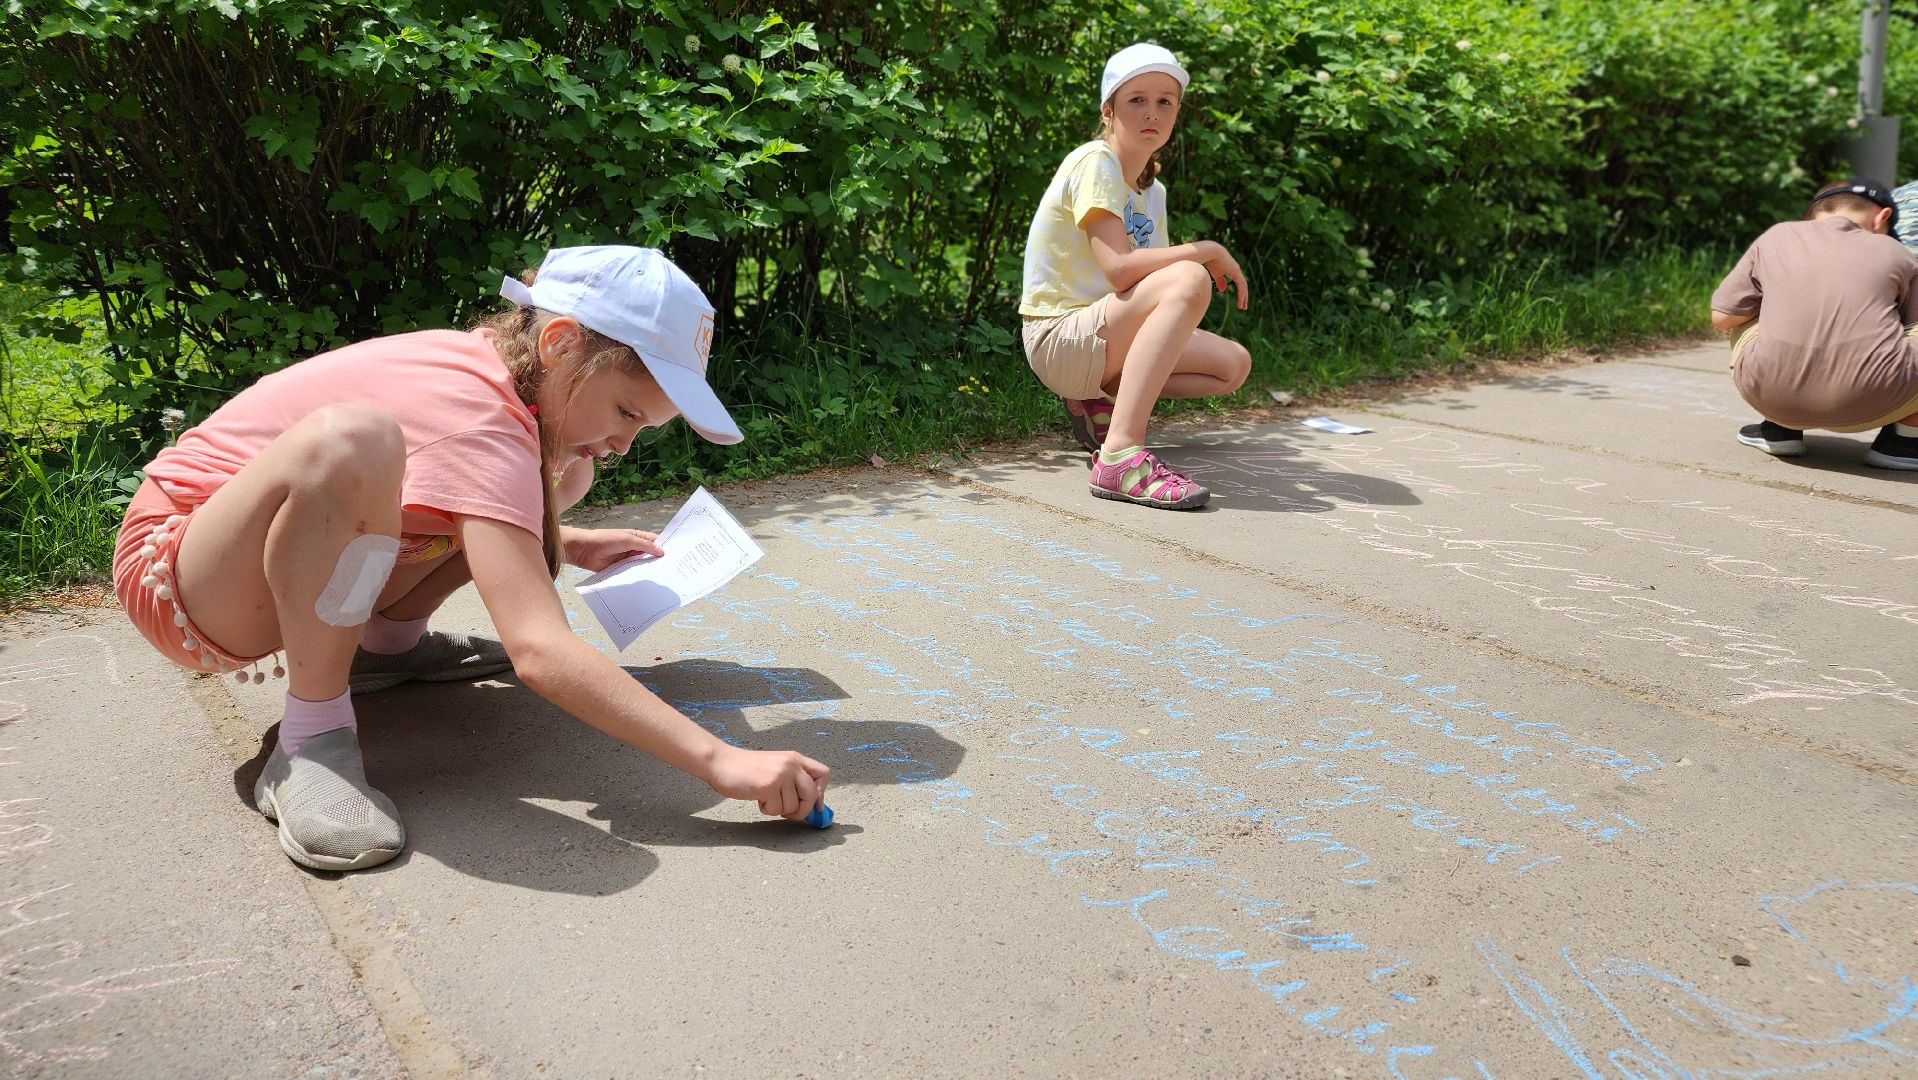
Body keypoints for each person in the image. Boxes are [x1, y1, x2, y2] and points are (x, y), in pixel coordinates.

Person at [113, 246, 830, 871]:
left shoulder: (506, 379)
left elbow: (447, 486)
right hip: (182, 578)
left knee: (562, 470)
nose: (623, 445)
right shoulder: (480, 414)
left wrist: (565, 542)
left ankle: (385, 645)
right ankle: (312, 739)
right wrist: (721, 760)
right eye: (626, 413)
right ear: (560, 343)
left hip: (256, 557)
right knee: (355, 442)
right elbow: (541, 652)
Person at [1017, 42, 1253, 510]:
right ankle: (1121, 455)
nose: (1152, 112)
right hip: (1058, 337)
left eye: (1165, 101)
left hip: (1106, 335)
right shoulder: (1094, 162)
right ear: (1109, 109)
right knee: (1190, 277)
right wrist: (1207, 249)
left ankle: (1099, 400)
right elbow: (1120, 269)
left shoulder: (1153, 190)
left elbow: (1142, 286)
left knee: (1233, 366)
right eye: (1137, 99)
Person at [1710, 179, 1918, 469]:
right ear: (1881, 217)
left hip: (1768, 395)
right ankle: (1904, 442)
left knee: (1749, 308)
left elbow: (1721, 318)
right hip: (1875, 403)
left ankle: (1779, 428)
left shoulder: (1777, 236)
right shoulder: (1897, 252)